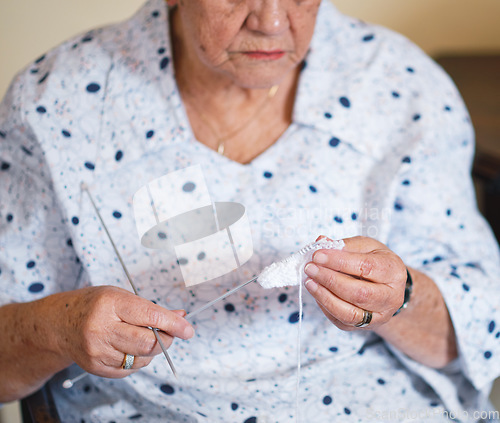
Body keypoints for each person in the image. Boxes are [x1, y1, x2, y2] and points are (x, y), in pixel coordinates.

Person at [0, 0, 499, 421]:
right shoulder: (56, 101)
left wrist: (401, 297)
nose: (272, 21)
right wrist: (60, 327)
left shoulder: (400, 87)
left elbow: (481, 328)